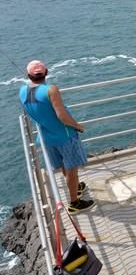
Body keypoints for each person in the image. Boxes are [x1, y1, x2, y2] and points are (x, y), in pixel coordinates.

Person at [19, 60, 95, 214]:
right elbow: (62, 116)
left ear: (28, 75)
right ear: (46, 72)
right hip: (64, 135)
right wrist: (77, 126)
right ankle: (75, 203)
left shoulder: (22, 91)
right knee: (72, 169)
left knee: (63, 165)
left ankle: (75, 186)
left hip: (46, 137)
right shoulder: (50, 90)